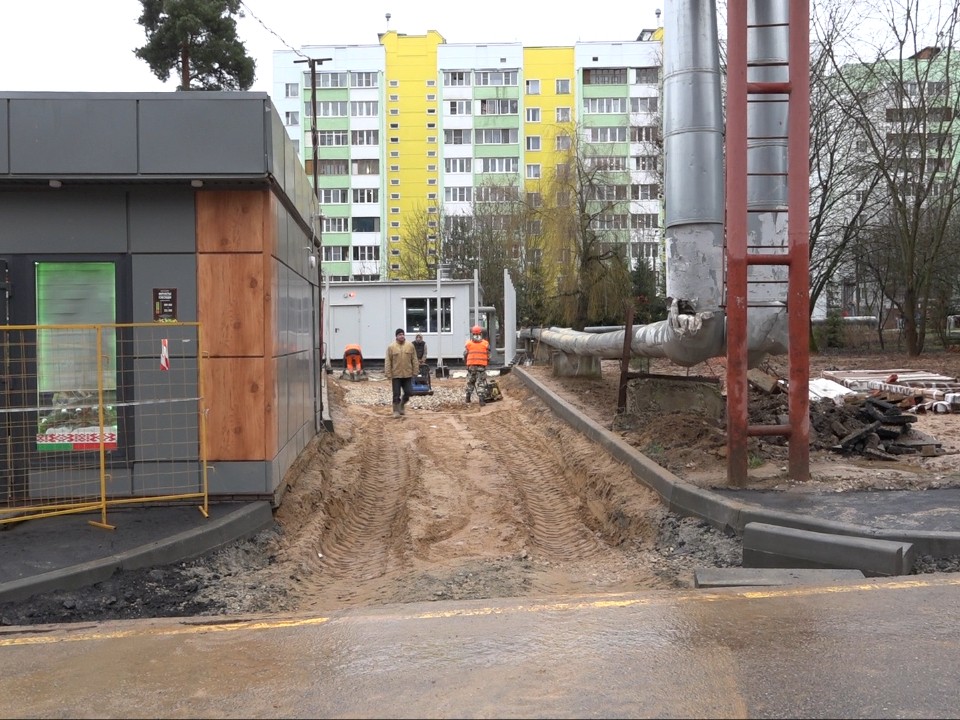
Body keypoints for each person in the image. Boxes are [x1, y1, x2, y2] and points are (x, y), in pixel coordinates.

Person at [384, 328, 418, 417]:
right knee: (396, 394)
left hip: (407, 374)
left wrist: (415, 370)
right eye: (399, 334)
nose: (401, 336)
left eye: (403, 334)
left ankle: (402, 404)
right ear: (396, 336)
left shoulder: (410, 346)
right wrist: (388, 373)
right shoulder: (391, 347)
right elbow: (388, 361)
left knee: (409, 392)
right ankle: (396, 411)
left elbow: (414, 359)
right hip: (396, 375)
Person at [463, 324, 490, 405]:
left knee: (470, 381)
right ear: (480, 334)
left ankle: (468, 398)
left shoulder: (468, 344)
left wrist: (467, 364)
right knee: (480, 382)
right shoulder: (485, 344)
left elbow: (465, 355)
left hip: (471, 367)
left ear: (473, 334)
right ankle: (481, 400)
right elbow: (489, 356)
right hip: (481, 367)